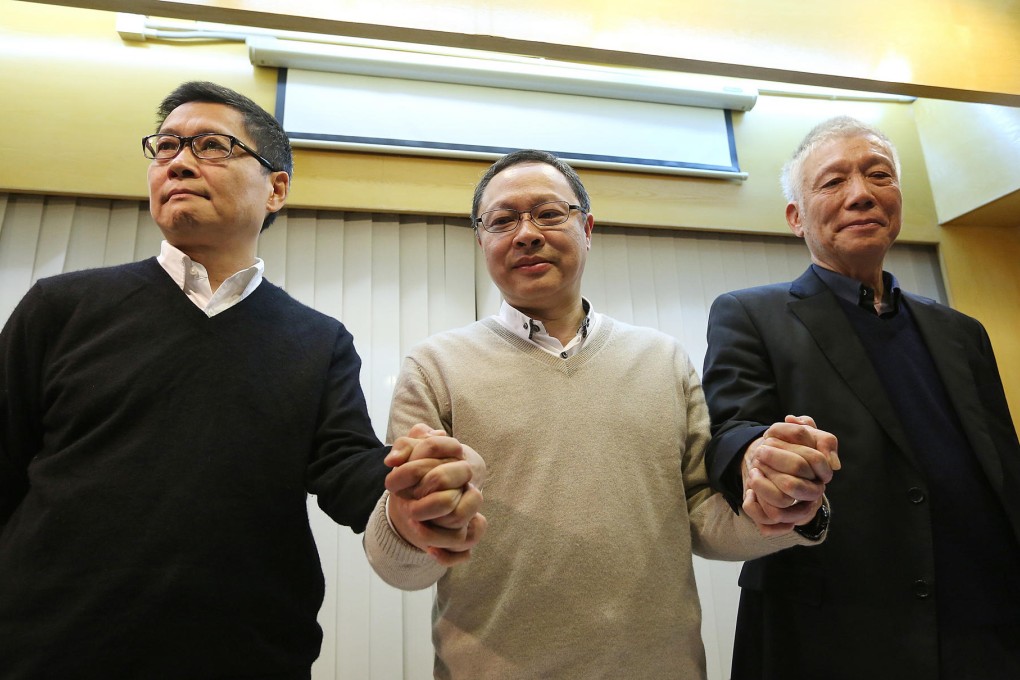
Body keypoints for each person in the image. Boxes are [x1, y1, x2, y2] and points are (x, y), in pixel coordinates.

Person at [0, 81, 481, 679]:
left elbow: (348, 469)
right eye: (166, 147)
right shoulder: (60, 307)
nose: (177, 161)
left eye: (211, 146)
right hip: (50, 653)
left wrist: (406, 496)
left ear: (276, 187)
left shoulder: (318, 341)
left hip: (249, 657)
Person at [363, 149, 837, 679]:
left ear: (587, 227)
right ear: (482, 240)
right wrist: (407, 525)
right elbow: (403, 567)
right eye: (502, 220)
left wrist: (787, 507)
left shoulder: (662, 359)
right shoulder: (434, 366)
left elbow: (703, 519)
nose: (525, 234)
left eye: (548, 213)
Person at [702, 116, 1020, 680]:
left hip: (982, 625)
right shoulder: (750, 314)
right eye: (833, 182)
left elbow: (1003, 469)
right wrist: (759, 457)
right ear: (796, 218)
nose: (861, 195)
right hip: (833, 629)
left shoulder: (961, 331)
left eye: (879, 175)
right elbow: (732, 431)